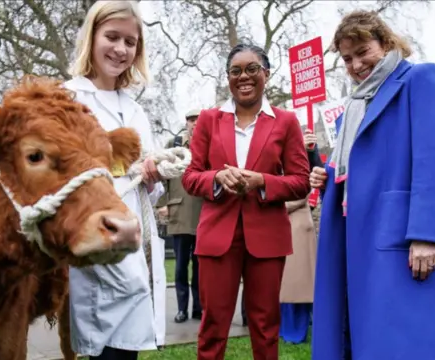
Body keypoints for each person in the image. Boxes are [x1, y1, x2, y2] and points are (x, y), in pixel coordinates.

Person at [309, 10, 435, 360]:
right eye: (347, 58)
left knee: (409, 339)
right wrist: (330, 178)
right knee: (364, 334)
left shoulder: (420, 78)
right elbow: (362, 164)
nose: (355, 64)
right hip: (357, 232)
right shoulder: (355, 102)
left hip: (402, 235)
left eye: (363, 51)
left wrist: (426, 234)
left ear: (387, 43)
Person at [181, 43, 311, 360]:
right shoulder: (209, 120)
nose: (244, 77)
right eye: (236, 71)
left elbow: (300, 181)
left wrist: (263, 181)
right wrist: (215, 179)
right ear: (228, 78)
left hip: (267, 236)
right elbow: (190, 176)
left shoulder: (285, 121)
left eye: (252, 69)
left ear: (265, 73)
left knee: (266, 324)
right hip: (217, 236)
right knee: (213, 325)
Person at [63, 1, 166, 359]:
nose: (121, 49)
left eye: (130, 42)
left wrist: (151, 177)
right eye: (112, 37)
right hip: (95, 244)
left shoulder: (136, 111)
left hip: (132, 245)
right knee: (103, 351)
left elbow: (150, 196)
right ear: (91, 37)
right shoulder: (68, 99)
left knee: (126, 353)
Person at [155, 109, 203, 324]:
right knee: (181, 264)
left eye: (198, 120)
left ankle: (198, 308)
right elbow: (161, 174)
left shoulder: (208, 145)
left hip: (203, 213)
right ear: (186, 122)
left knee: (200, 265)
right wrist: (162, 203)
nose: (195, 123)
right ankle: (182, 308)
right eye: (191, 120)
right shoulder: (173, 145)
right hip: (179, 211)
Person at [278, 126, 321, 344]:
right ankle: (285, 328)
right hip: (280, 226)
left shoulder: (301, 157)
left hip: (296, 225)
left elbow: (302, 188)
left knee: (299, 285)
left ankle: (297, 330)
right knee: (284, 284)